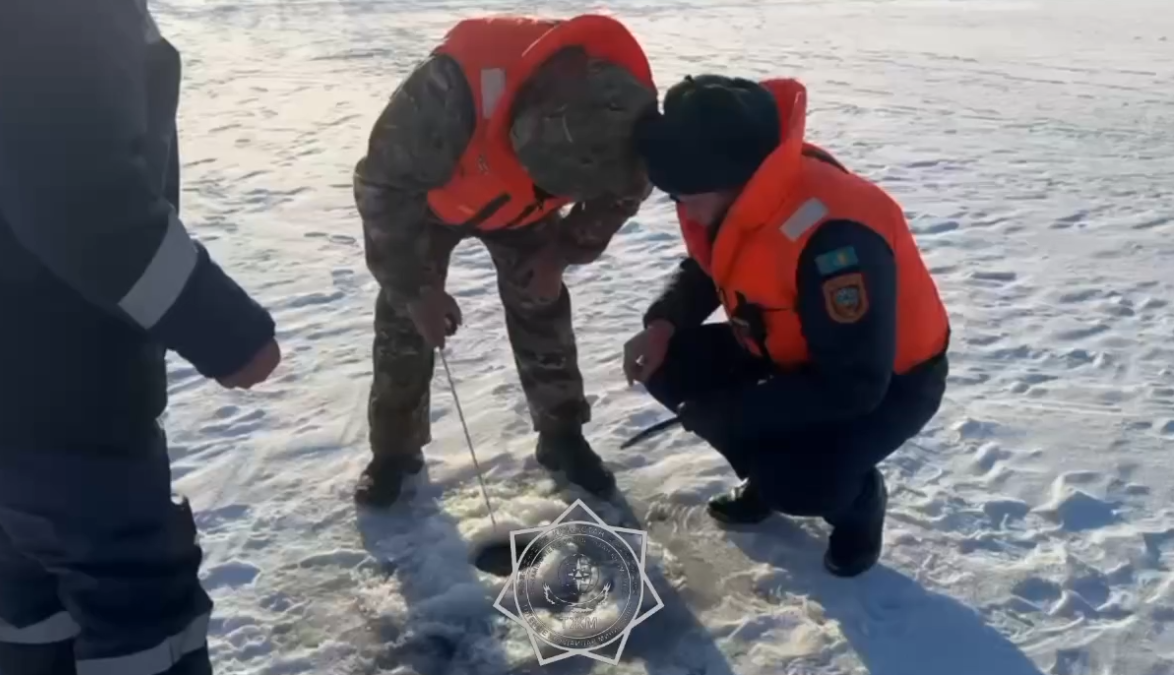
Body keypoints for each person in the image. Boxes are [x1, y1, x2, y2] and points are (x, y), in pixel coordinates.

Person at [0, 0, 280, 673]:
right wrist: (227, 331)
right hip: (56, 394)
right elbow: (84, 200)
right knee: (139, 616)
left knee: (25, 594)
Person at [624, 74, 950, 577]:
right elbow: (719, 261)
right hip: (787, 350)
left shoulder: (836, 241)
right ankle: (767, 470)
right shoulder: (746, 193)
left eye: (686, 195)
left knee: (801, 482)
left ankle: (856, 504)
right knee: (672, 365)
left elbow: (854, 385)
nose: (681, 209)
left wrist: (731, 412)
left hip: (889, 381)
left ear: (731, 180)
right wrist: (664, 322)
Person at [352, 14, 657, 506]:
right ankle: (393, 450)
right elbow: (383, 185)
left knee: (541, 302)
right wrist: (416, 288)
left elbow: (625, 191)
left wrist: (561, 250)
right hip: (430, 205)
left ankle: (562, 435)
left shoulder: (627, 114)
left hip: (521, 216)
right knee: (405, 320)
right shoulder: (452, 87)